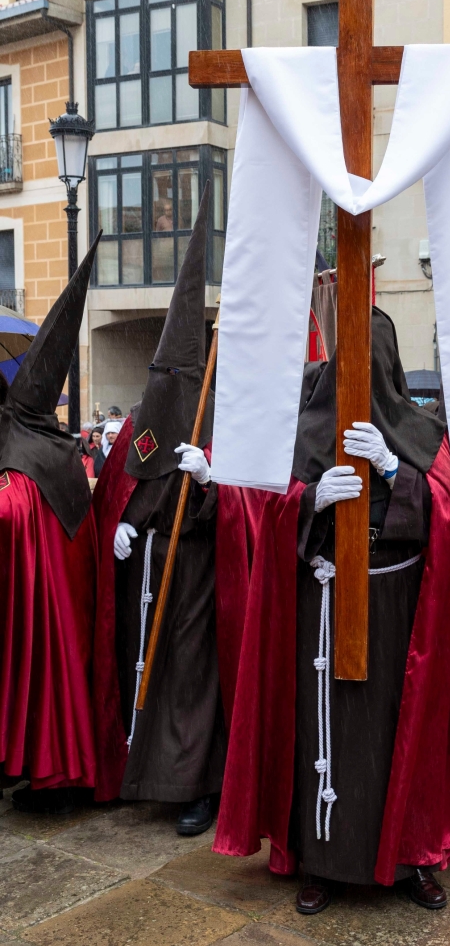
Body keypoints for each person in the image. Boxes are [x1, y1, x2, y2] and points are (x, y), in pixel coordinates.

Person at [214, 307, 450, 915]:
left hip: (400, 609)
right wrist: (313, 499)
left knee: (403, 728)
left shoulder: (422, 432)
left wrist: (399, 473)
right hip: (322, 599)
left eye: (371, 362)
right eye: (351, 361)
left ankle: (411, 855)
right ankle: (321, 860)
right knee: (329, 736)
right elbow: (272, 515)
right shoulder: (304, 430)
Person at [92, 187, 226, 837]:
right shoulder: (139, 425)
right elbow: (121, 484)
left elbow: (246, 508)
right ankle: (140, 771)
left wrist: (209, 482)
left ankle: (196, 783)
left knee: (192, 673)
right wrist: (120, 523)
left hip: (196, 569)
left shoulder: (213, 420)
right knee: (142, 665)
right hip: (142, 572)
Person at [0, 240, 100, 812]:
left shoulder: (21, 454)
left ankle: (50, 774)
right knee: (63, 678)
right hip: (67, 603)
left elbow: (13, 514)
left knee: (41, 683)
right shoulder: (61, 449)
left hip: (41, 603)